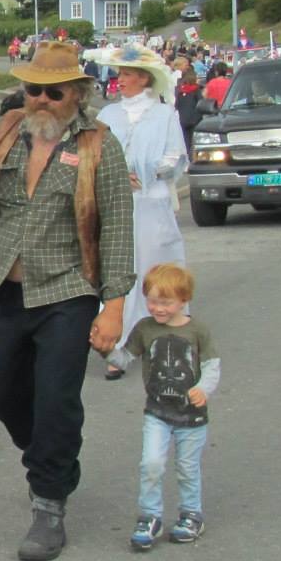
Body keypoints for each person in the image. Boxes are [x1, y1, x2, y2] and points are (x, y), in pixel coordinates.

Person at [0, 40, 134, 561]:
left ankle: (49, 503)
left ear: (77, 94)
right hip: (9, 288)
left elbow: (117, 228)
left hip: (68, 290)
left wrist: (114, 307)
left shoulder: (99, 145)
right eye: (33, 89)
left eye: (53, 93)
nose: (40, 100)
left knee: (56, 399)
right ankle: (52, 461)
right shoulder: (7, 130)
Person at [96, 44, 188, 384]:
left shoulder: (164, 115)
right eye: (119, 74)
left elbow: (175, 157)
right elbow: (95, 154)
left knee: (154, 270)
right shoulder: (108, 115)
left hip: (151, 202)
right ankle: (117, 342)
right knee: (119, 270)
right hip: (117, 203)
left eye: (127, 74)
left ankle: (164, 337)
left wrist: (147, 173)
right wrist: (118, 174)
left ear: (144, 79)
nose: (120, 80)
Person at [123, 262, 220, 550]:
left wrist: (203, 389)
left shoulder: (197, 330)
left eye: (165, 303)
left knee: (187, 468)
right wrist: (104, 349)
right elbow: (125, 357)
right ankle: (149, 516)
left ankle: (191, 514)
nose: (158, 308)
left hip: (192, 416)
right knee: (151, 463)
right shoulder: (145, 329)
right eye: (152, 301)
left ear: (183, 300)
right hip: (157, 413)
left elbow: (211, 365)